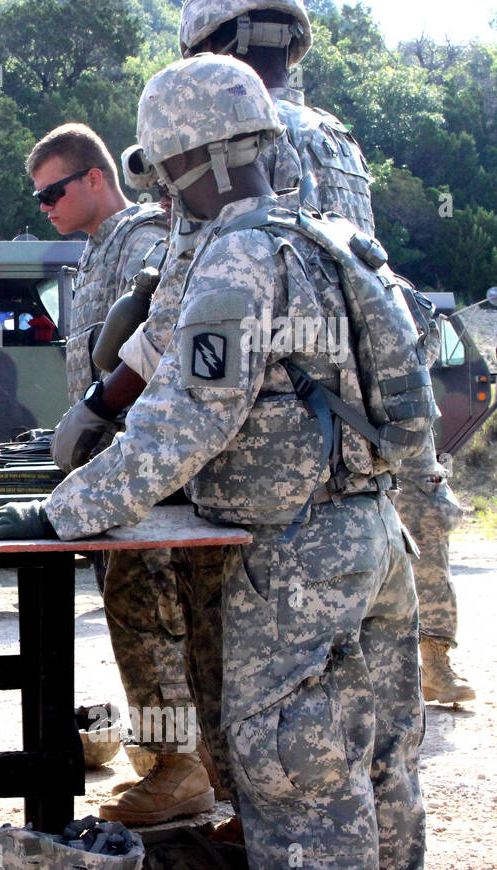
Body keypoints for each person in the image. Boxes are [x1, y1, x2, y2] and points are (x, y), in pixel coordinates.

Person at [0, 54, 430, 870]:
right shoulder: (321, 236)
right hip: (372, 533)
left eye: (168, 173)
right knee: (379, 762)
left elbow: (183, 424)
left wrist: (60, 512)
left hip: (297, 555)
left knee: (297, 776)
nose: (167, 195)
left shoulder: (237, 261)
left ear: (193, 159)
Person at [179, 0, 474, 705]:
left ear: (211, 50)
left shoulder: (237, 138)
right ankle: (428, 659)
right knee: (402, 503)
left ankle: (227, 769)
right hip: (372, 357)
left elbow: (216, 283)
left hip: (289, 398)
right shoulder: (337, 137)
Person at [29, 124, 214, 824]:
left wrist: (99, 420)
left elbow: (158, 350)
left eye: (54, 190)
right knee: (140, 609)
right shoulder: (100, 251)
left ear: (95, 178)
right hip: (120, 464)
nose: (44, 205)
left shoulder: (140, 240)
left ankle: (179, 769)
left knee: (150, 609)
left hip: (149, 471)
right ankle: (173, 761)